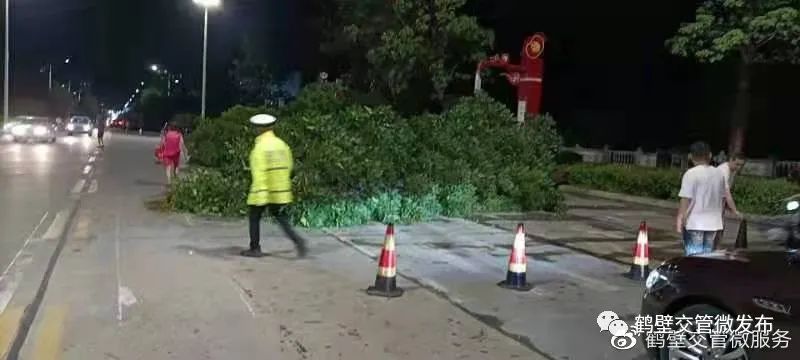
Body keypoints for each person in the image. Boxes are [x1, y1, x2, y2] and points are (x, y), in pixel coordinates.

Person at [241, 113, 308, 258]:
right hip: (280, 190)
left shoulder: (259, 148)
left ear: (259, 129)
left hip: (263, 191)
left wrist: (258, 194)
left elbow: (258, 172)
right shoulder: (282, 145)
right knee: (280, 217)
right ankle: (298, 241)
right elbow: (289, 166)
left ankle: (255, 248)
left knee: (254, 217)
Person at [676, 141, 741, 255]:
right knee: (708, 258)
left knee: (694, 258)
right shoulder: (719, 174)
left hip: (694, 223)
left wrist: (680, 219)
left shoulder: (690, 174)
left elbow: (685, 199)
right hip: (713, 224)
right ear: (710, 155)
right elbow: (722, 199)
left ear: (691, 156)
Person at [714, 152, 746, 245]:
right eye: (737, 164)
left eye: (741, 165)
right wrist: (735, 211)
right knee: (715, 228)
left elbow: (726, 193)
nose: (739, 167)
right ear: (731, 160)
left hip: (719, 202)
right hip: (711, 202)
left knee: (719, 227)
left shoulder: (732, 171)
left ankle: (714, 249)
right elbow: (727, 193)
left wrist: (726, 207)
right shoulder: (724, 171)